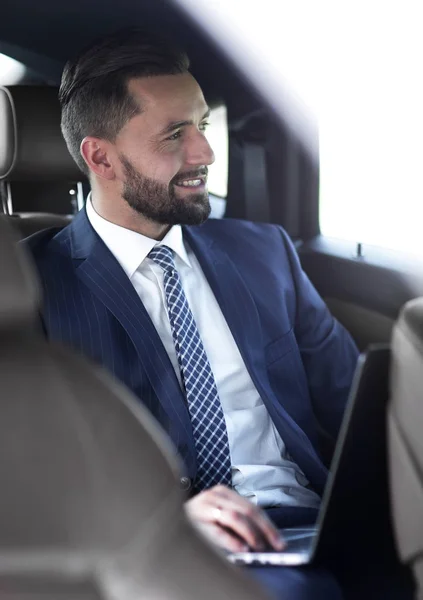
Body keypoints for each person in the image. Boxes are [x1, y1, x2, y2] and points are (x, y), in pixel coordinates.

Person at [25, 29, 358, 599]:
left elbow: (358, 401)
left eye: (202, 125)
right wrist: (163, 518)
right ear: (100, 157)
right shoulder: (28, 287)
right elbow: (30, 476)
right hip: (162, 549)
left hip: (316, 525)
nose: (204, 152)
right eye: (174, 133)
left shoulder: (265, 252)